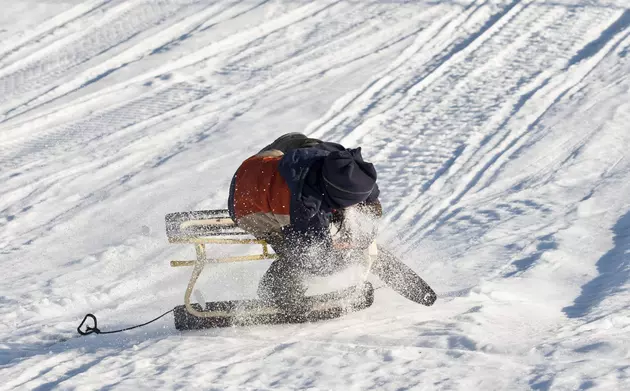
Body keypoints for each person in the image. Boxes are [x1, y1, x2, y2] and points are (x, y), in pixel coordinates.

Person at [227, 133, 382, 313]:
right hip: (245, 205)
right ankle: (276, 289)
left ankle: (339, 220)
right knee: (300, 255)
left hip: (259, 163)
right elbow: (315, 258)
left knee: (308, 145)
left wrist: (368, 208)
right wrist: (346, 256)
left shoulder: (334, 159)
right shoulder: (305, 208)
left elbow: (363, 187)